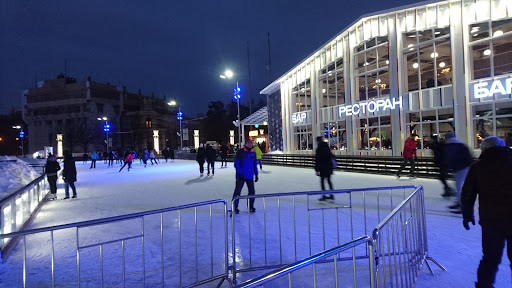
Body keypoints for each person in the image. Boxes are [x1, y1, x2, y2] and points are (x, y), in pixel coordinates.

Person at [461, 136, 512, 288]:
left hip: (491, 221)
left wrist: (467, 214)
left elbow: (468, 193)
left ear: (484, 149)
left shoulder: (478, 167)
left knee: (490, 259)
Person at [443, 132, 473, 213]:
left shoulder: (454, 145)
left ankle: (462, 205)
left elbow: (453, 157)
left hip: (461, 168)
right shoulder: (457, 145)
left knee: (459, 187)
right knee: (458, 186)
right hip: (459, 167)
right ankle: (458, 202)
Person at [232, 138, 259, 214]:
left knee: (252, 191)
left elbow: (254, 164)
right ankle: (235, 207)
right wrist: (240, 173)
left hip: (250, 176)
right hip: (241, 176)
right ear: (246, 144)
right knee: (237, 191)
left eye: (251, 143)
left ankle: (251, 206)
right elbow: (236, 163)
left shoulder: (253, 153)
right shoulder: (240, 152)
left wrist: (256, 173)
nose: (250, 144)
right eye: (249, 143)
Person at [315, 136, 335, 201]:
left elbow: (317, 160)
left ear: (318, 141)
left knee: (322, 181)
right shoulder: (327, 147)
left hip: (323, 167)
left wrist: (317, 169)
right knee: (329, 181)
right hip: (329, 167)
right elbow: (331, 156)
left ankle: (324, 195)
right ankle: (331, 194)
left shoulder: (319, 149)